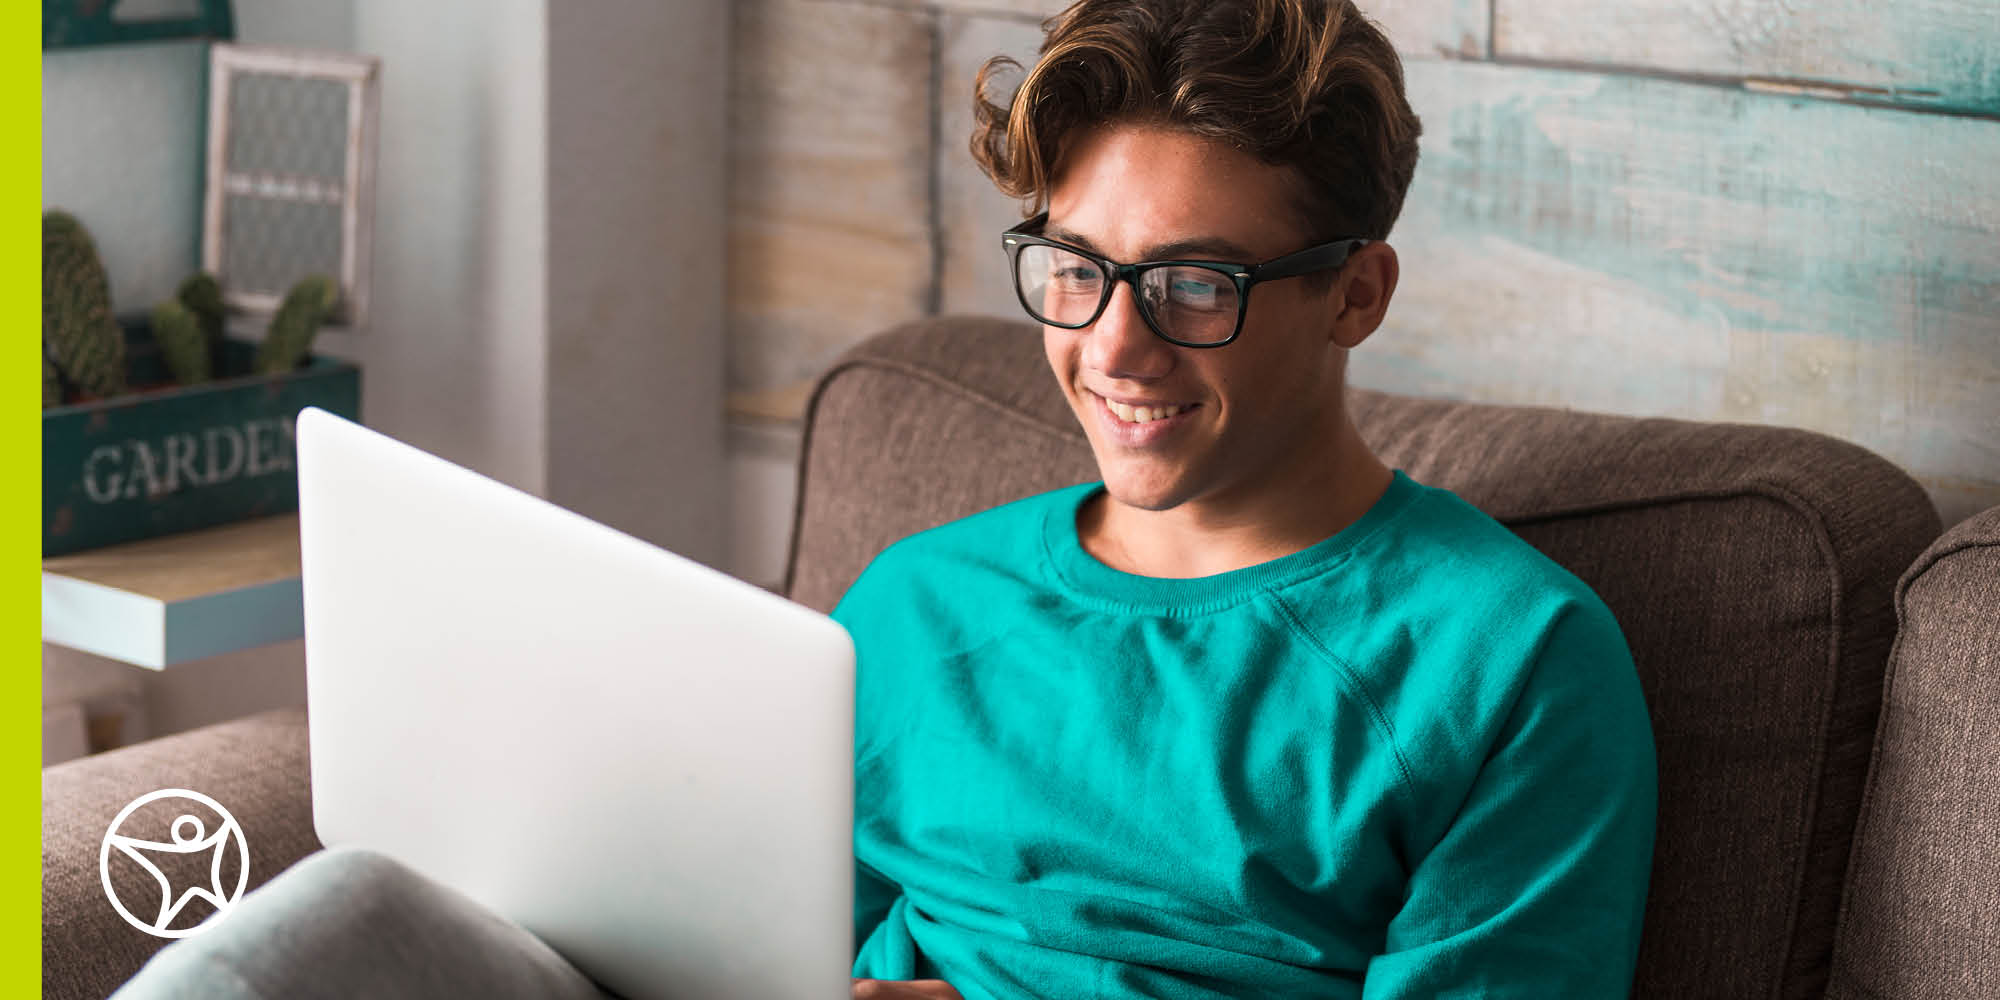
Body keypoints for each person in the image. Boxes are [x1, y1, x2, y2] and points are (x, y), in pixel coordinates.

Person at [113, 1, 1655, 997]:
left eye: (1193, 284)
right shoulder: (918, 606)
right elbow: (721, 938)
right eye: (1075, 270)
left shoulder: (1509, 660)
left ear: (1357, 293)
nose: (1110, 346)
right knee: (355, 911)